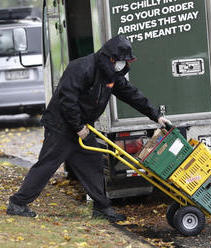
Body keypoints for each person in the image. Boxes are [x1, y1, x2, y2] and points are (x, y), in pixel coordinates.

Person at [6, 35, 171, 222]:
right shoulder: (81, 68)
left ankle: (102, 207)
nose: (122, 65)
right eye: (120, 61)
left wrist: (156, 115)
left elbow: (132, 95)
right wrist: (78, 127)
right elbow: (67, 100)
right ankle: (17, 204)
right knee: (47, 164)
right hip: (61, 126)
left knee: (92, 163)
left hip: (81, 127)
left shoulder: (111, 75)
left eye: (125, 62)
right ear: (110, 58)